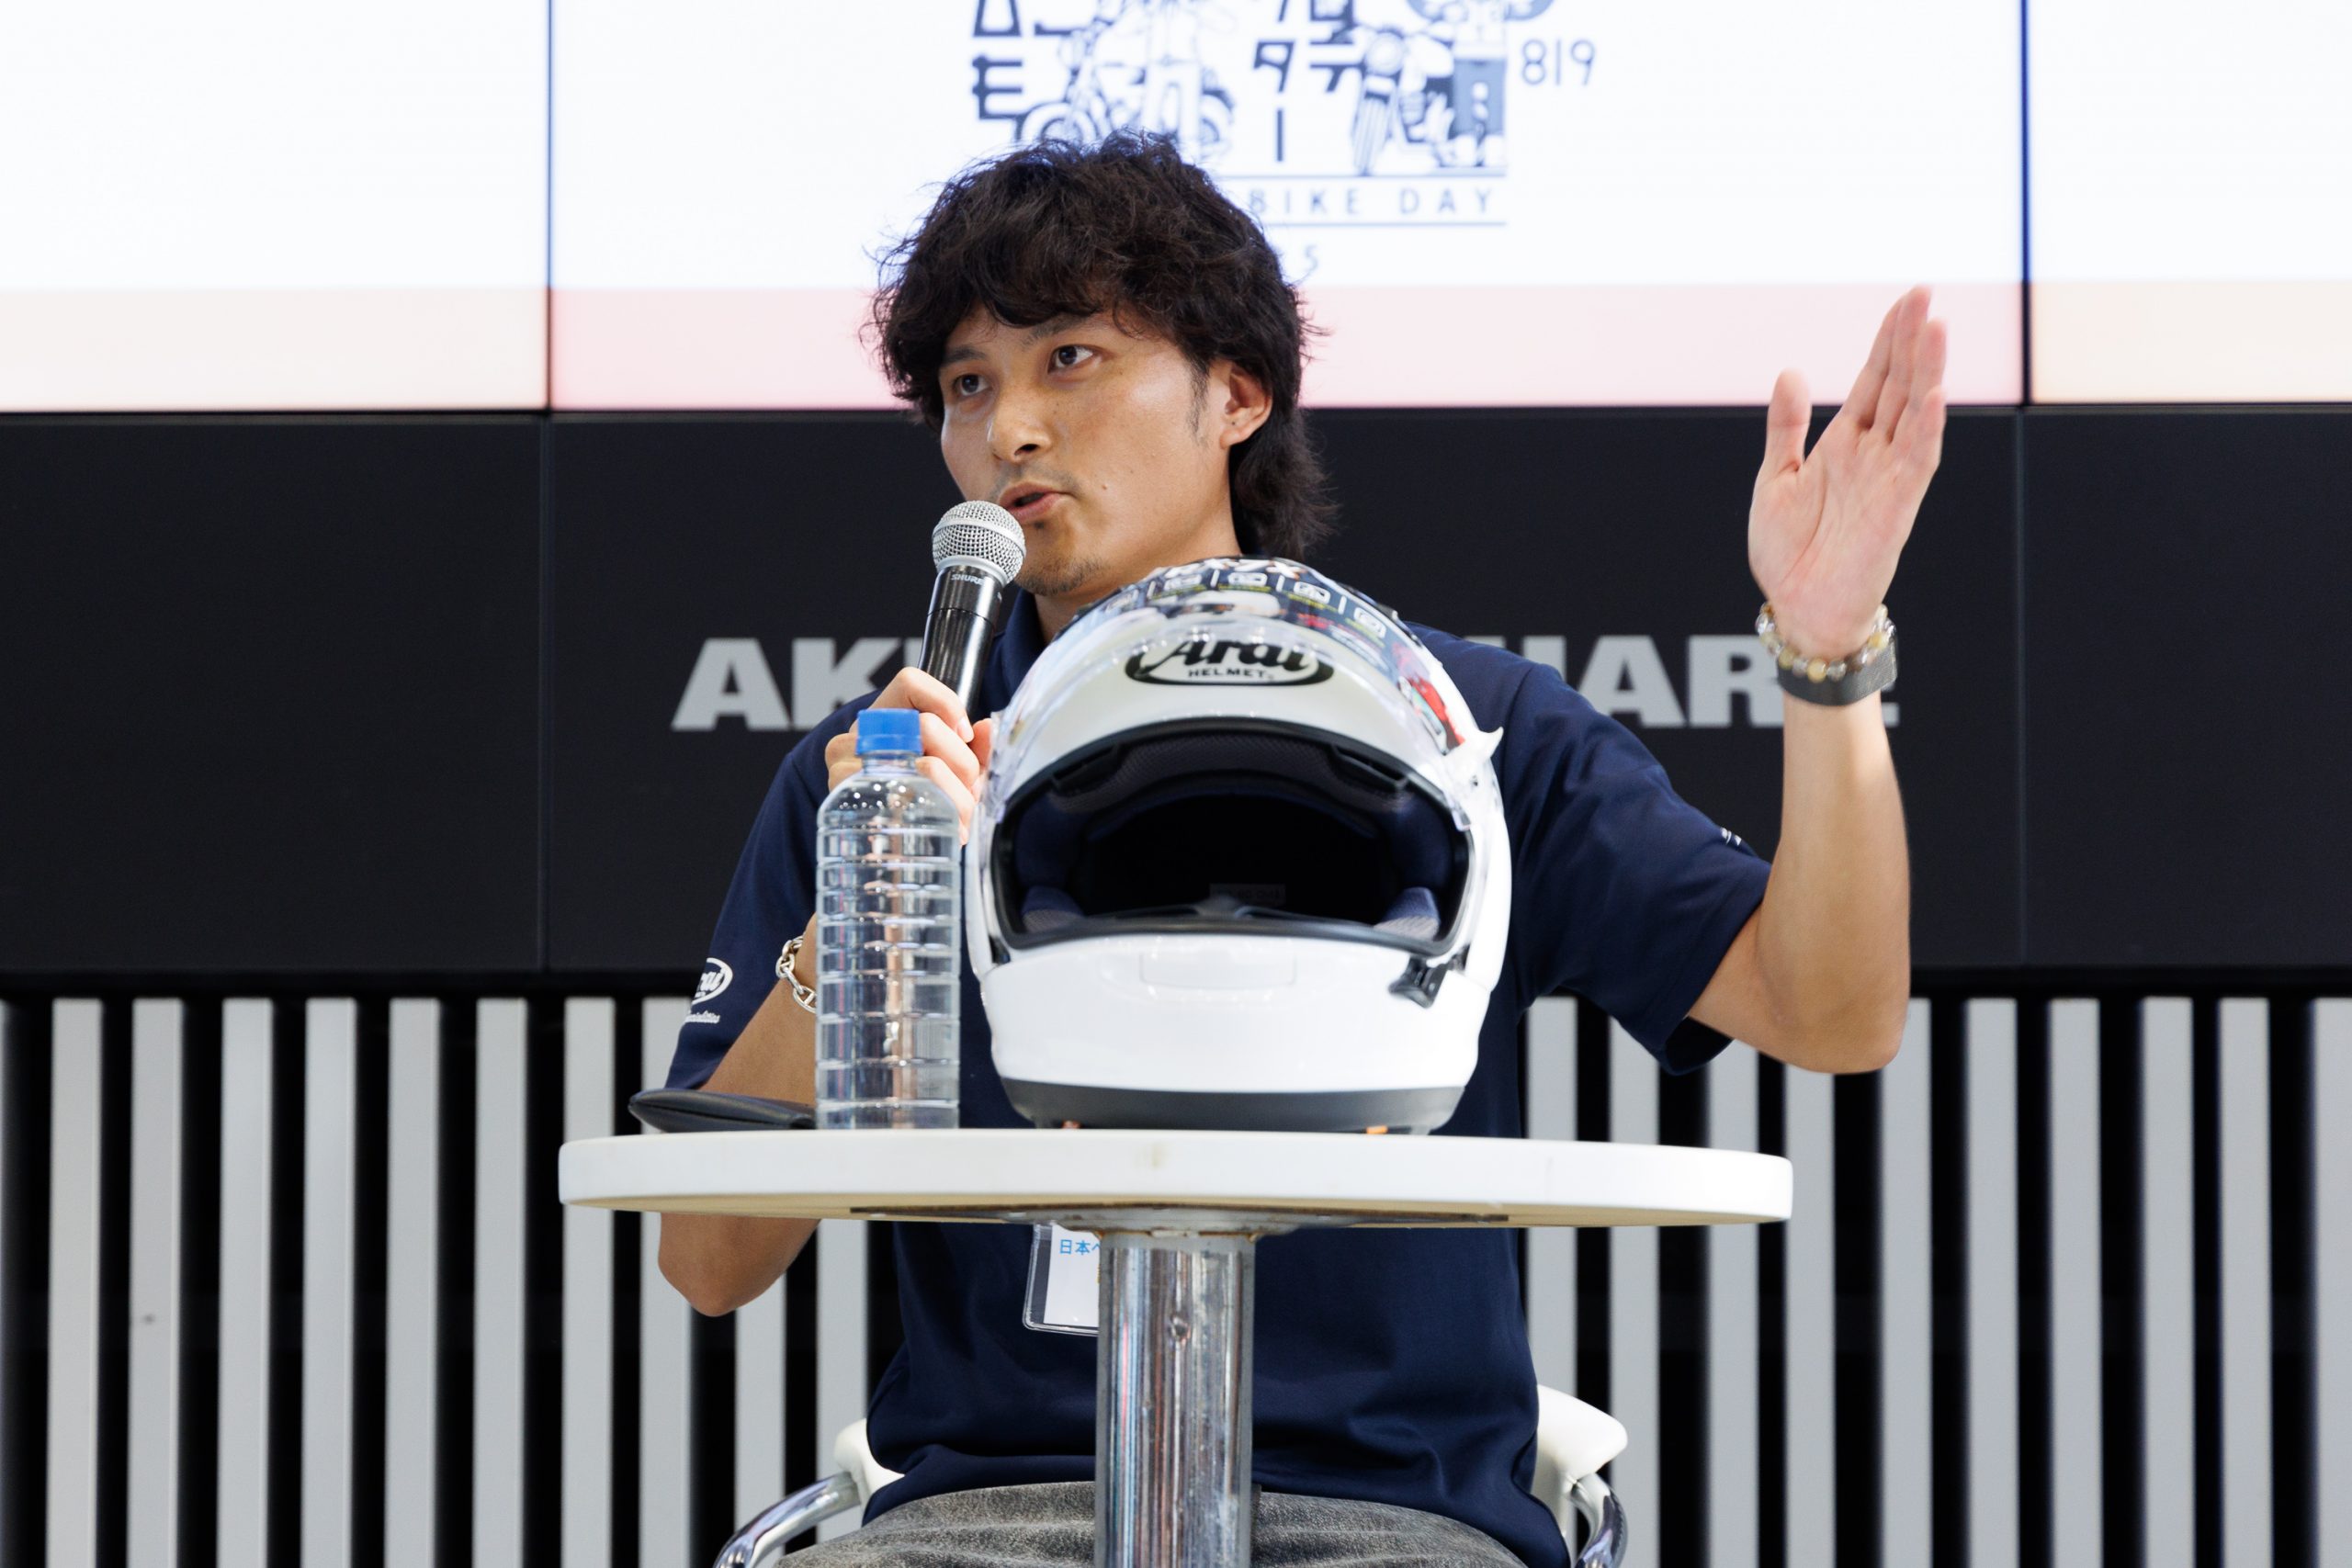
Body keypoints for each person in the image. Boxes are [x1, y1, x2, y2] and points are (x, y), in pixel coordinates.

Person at [659, 131, 1939, 1566]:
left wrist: (1830, 659)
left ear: (1238, 393)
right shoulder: (883, 776)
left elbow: (1833, 1012)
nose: (1008, 429)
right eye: (967, 386)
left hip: (1394, 1521)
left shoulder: (1460, 729)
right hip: (986, 1519)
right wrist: (861, 893)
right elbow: (707, 1261)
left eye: (1070, 359)